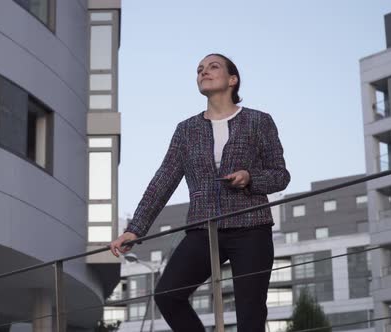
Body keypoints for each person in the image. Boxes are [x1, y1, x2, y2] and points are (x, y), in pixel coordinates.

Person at [109, 53, 290, 332]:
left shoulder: (259, 121)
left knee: (250, 313)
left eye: (213, 67)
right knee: (168, 295)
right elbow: (163, 181)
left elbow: (281, 175)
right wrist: (136, 229)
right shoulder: (186, 130)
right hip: (203, 229)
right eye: (199, 69)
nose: (204, 72)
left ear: (233, 79)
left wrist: (250, 178)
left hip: (251, 227)